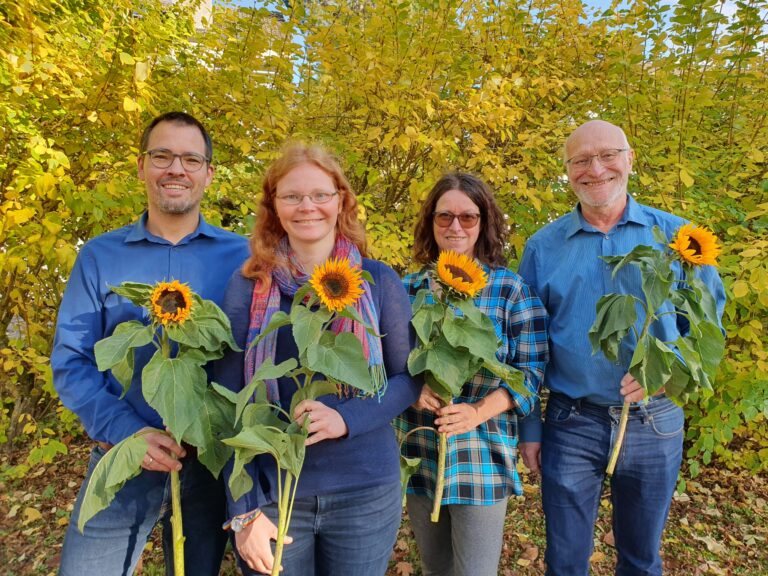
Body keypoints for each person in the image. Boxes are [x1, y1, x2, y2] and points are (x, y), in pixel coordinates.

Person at [518, 119, 726, 576]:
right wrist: (530, 427)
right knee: (566, 560)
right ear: (568, 171)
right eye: (580, 160)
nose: (595, 169)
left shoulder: (679, 240)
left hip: (656, 420)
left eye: (607, 154)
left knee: (641, 558)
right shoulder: (542, 247)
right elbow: (526, 347)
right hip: (572, 422)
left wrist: (670, 369)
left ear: (630, 159)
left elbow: (708, 327)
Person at [52, 111, 250, 576]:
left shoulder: (242, 256)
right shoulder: (101, 256)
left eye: (190, 158)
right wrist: (127, 433)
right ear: (142, 166)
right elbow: (72, 361)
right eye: (162, 156)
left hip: (209, 461)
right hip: (123, 451)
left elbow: (255, 355)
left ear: (208, 172)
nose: (176, 169)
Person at [214, 143, 420, 576]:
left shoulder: (377, 281)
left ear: (341, 200)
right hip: (274, 493)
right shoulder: (249, 286)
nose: (307, 207)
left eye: (320, 195)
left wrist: (347, 418)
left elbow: (407, 379)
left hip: (364, 492)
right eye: (291, 196)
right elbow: (226, 401)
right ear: (273, 206)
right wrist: (243, 510)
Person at [395, 172, 549, 576]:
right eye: (444, 216)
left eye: (468, 216)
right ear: (430, 222)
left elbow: (530, 374)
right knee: (434, 566)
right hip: (421, 450)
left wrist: (478, 411)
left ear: (485, 223)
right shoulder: (407, 290)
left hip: (481, 453)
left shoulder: (510, 290)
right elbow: (384, 363)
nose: (456, 227)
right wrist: (409, 390)